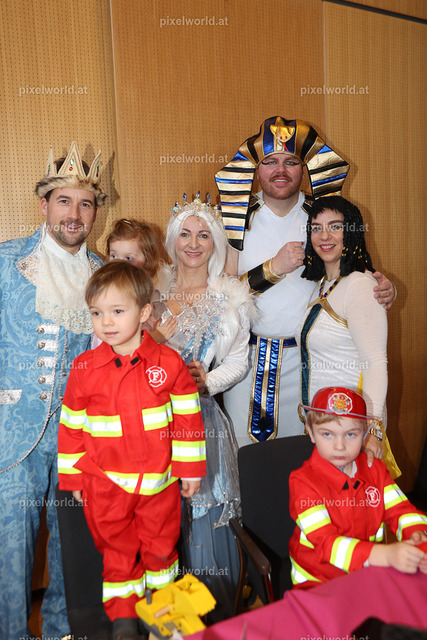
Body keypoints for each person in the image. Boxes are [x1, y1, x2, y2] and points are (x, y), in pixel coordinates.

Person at [215, 116, 396, 447]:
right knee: (247, 459)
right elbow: (220, 297)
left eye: (291, 161)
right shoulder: (234, 216)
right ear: (255, 168)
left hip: (308, 362)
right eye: (270, 161)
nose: (280, 170)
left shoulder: (321, 216)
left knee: (304, 456)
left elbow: (351, 277)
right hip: (245, 361)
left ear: (305, 167)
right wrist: (272, 269)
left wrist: (385, 289)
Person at [57, 260, 206, 640]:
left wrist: (189, 469)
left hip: (159, 483)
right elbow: (71, 427)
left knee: (162, 551)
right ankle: (124, 619)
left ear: (143, 313)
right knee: (117, 554)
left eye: (117, 311)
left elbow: (188, 420)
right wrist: (74, 477)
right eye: (96, 313)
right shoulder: (84, 368)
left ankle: (163, 613)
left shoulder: (169, 363)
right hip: (105, 485)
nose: (106, 322)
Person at [0, 141, 105, 639]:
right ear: (44, 205)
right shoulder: (6, 261)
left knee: (73, 549)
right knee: (10, 550)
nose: (74, 214)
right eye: (64, 201)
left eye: (85, 204)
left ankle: (65, 631)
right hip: (12, 434)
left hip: (79, 437)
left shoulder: (105, 273)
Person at [153, 195, 255, 621]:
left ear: (215, 243)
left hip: (201, 423)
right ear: (173, 240)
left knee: (202, 514)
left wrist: (207, 381)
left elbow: (239, 361)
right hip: (151, 423)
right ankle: (166, 616)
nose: (193, 244)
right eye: (185, 235)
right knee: (158, 517)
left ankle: (211, 618)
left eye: (203, 235)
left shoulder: (228, 299)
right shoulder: (151, 293)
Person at [297, 195, 399, 474]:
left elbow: (375, 362)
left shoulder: (360, 285)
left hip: (352, 431)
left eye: (335, 226)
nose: (324, 236)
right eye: (316, 228)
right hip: (324, 427)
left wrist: (374, 430)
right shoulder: (323, 284)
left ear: (351, 232)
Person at [289, 386, 427, 590]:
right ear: (311, 432)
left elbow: (401, 510)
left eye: (351, 434)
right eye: (327, 434)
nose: (339, 446)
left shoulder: (375, 470)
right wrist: (386, 555)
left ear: (365, 433)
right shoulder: (303, 482)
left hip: (367, 572)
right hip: (318, 581)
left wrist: (417, 534)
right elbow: (326, 543)